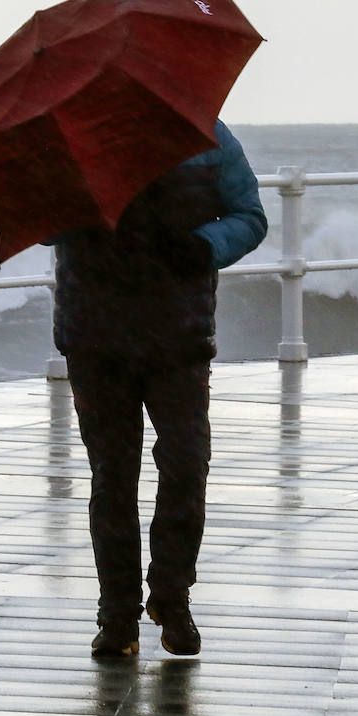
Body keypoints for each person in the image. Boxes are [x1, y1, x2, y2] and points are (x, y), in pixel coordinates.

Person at [52, 119, 267, 657]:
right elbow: (40, 224)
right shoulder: (70, 135)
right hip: (96, 333)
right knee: (112, 474)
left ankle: (172, 597)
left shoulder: (208, 136)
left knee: (188, 463)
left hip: (179, 335)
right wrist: (78, 200)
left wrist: (201, 245)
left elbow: (249, 217)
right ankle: (117, 615)